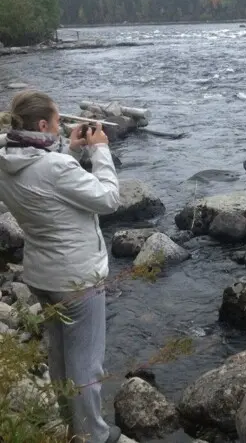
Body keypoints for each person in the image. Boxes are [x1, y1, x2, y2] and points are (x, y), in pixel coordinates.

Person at [0, 90, 122, 443]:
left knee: (59, 354)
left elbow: (43, 181)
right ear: (42, 125)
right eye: (56, 121)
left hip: (42, 274)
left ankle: (71, 422)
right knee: (85, 362)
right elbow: (109, 199)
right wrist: (99, 150)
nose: (61, 125)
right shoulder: (54, 167)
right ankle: (93, 435)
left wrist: (69, 149)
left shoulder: (7, 159)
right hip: (77, 277)